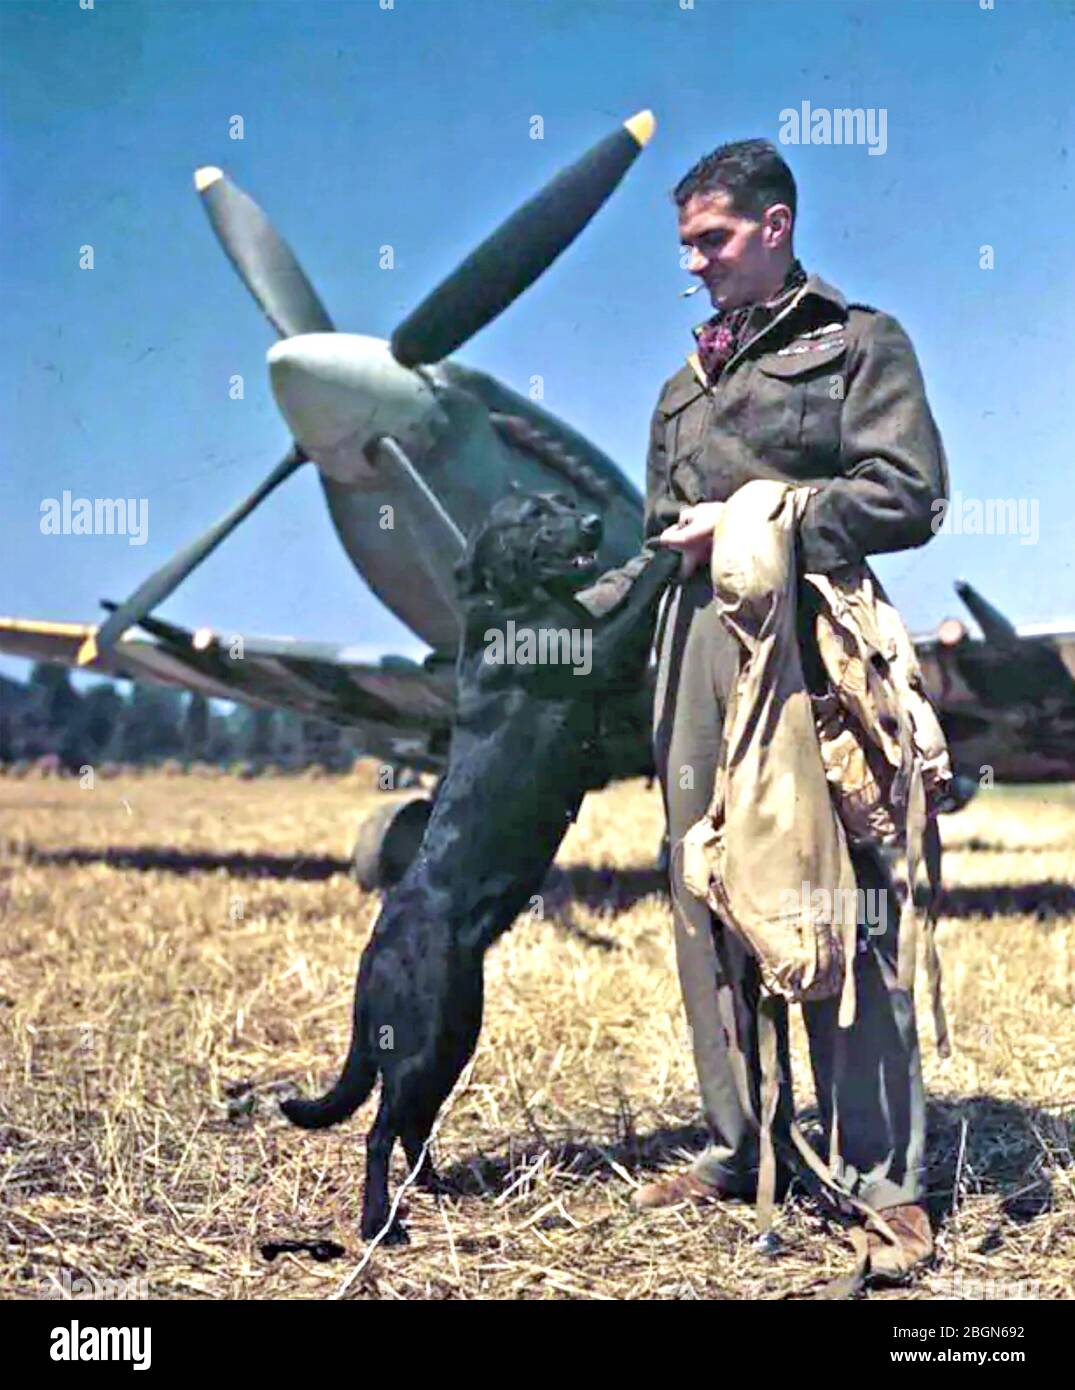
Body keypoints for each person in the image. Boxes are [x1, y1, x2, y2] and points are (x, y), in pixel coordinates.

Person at [629, 139, 948, 1282]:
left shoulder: (857, 343)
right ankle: (739, 1141)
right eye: (685, 247)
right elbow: (659, 526)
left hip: (812, 645)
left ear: (774, 226)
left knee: (833, 896)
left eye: (710, 241)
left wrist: (758, 518)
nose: (695, 266)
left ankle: (880, 1179)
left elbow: (908, 493)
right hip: (693, 654)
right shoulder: (679, 388)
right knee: (705, 890)